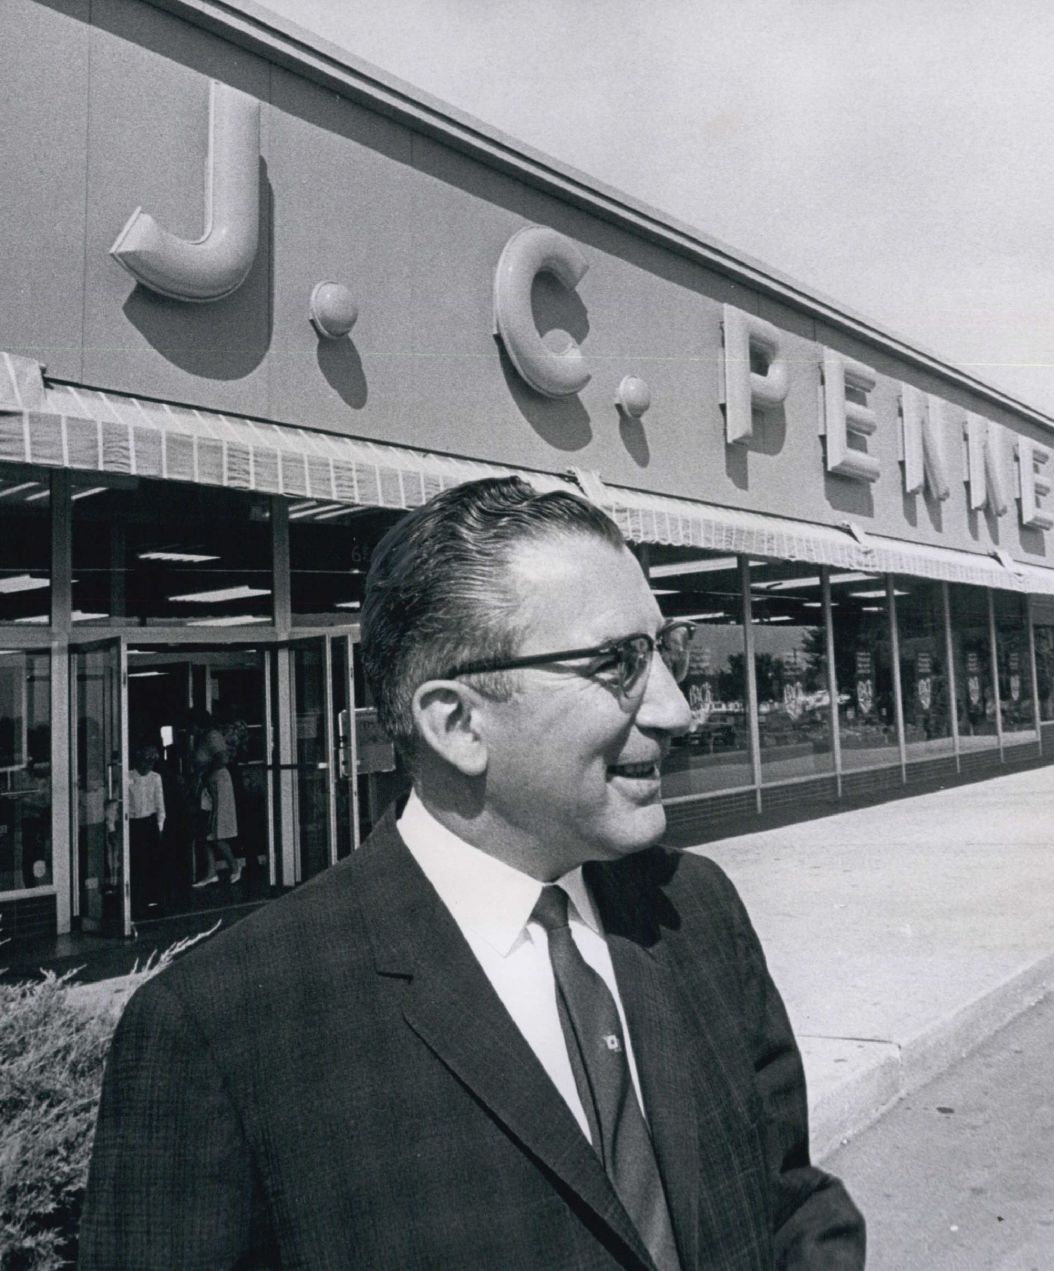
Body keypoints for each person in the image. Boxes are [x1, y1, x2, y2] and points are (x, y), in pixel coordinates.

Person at [80, 477, 865, 1269]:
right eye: (618, 662)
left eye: (665, 648)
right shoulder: (224, 1029)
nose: (674, 708)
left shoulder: (695, 909)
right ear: (457, 722)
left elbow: (792, 1203)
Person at [191, 726, 240, 889]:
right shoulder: (202, 738)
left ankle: (234, 867)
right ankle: (211, 872)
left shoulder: (212, 735)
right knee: (205, 833)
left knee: (216, 832)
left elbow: (222, 758)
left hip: (217, 785)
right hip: (208, 787)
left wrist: (205, 772)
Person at [125, 743, 166, 917]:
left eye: (151, 762)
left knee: (152, 862)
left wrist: (159, 827)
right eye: (145, 761)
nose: (147, 766)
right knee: (136, 862)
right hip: (133, 823)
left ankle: (153, 899)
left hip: (149, 824)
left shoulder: (155, 778)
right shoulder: (127, 776)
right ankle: (136, 900)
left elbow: (160, 805)